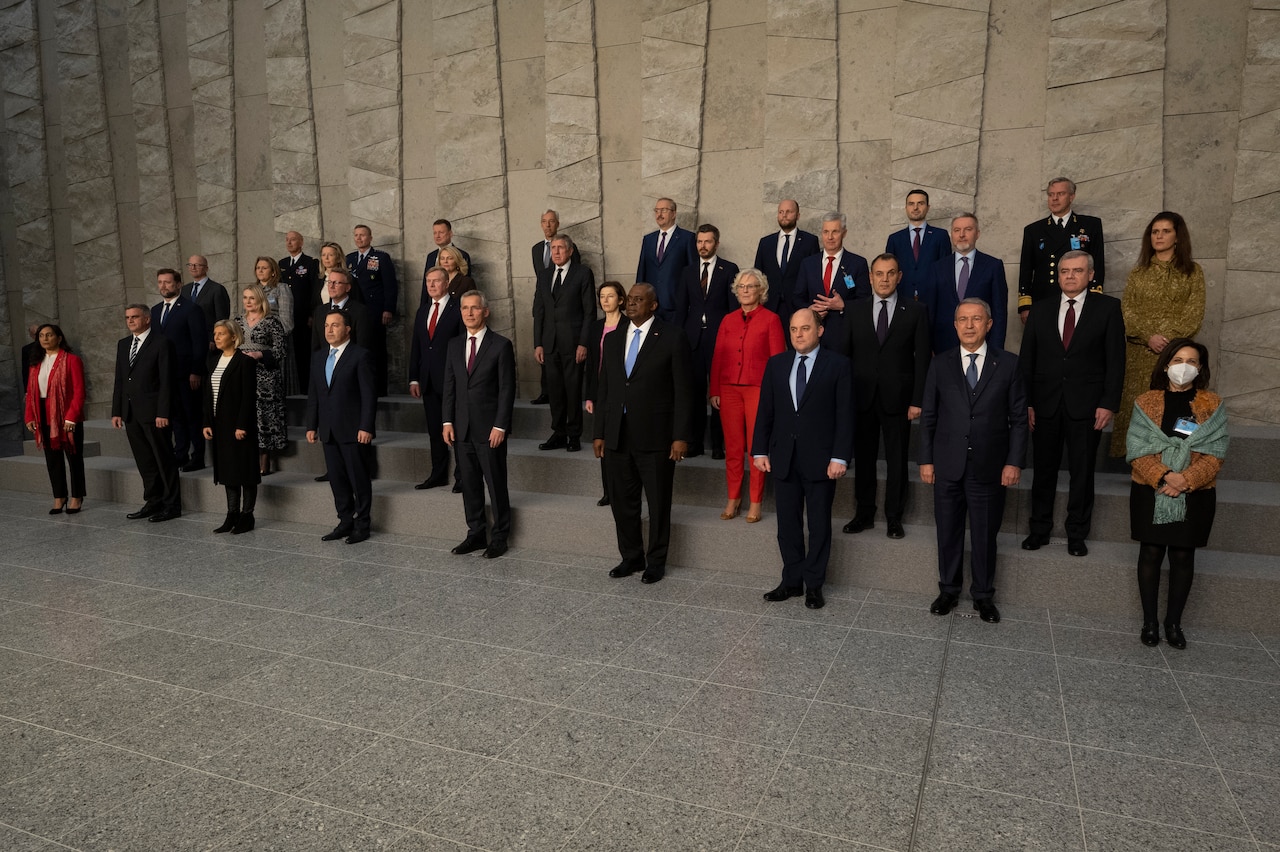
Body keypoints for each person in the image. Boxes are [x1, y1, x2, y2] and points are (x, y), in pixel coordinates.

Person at [919, 298, 1028, 624]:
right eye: (963, 319)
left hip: (989, 467)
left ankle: (983, 596)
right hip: (947, 465)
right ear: (955, 325)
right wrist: (925, 460)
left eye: (976, 319)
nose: (969, 325)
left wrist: (1014, 463)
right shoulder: (940, 364)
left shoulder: (1008, 364)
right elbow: (929, 417)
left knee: (983, 535)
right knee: (948, 533)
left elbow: (1019, 419)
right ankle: (948, 590)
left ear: (989, 324)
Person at [1019, 250, 1125, 557]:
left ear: (1091, 275)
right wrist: (1026, 402)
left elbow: (1116, 361)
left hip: (1088, 407)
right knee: (1043, 471)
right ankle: (1039, 528)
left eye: (1077, 271)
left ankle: (1077, 533)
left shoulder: (1108, 309)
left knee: (1082, 471)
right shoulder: (1040, 309)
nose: (1069, 276)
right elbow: (1028, 360)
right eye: (1064, 271)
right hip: (1045, 405)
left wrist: (1108, 403)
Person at [1126, 339, 1227, 650]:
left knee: (1183, 555)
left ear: (1200, 368)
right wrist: (1165, 476)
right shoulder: (1146, 401)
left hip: (1195, 492)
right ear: (1166, 364)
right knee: (1151, 553)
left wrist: (1186, 480)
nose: (1185, 366)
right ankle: (1150, 623)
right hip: (1150, 487)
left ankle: (1173, 623)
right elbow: (1137, 448)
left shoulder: (1213, 404)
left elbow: (1216, 451)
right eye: (1179, 359)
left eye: (1192, 361)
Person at [751, 308, 853, 610]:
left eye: (805, 328)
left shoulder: (838, 365)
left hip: (822, 460)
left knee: (819, 524)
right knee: (787, 525)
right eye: (793, 329)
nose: (798, 334)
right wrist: (760, 450)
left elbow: (845, 416)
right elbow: (766, 411)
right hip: (784, 458)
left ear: (819, 330)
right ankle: (792, 581)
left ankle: (814, 584)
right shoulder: (776, 364)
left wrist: (840, 457)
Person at [593, 282, 693, 585]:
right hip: (618, 435)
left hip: (657, 436)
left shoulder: (672, 336)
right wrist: (599, 431)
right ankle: (631, 557)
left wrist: (680, 436)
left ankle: (656, 561)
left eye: (639, 300)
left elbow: (684, 391)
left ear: (653, 305)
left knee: (659, 503)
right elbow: (606, 388)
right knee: (623, 503)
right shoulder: (613, 339)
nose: (631, 304)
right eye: (630, 300)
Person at [838, 253, 930, 539]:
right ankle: (864, 514)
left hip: (899, 400)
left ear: (899, 277)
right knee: (864, 459)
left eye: (891, 273)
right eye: (879, 273)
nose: (885, 279)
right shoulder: (854, 311)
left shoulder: (915, 311)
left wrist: (917, 400)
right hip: (862, 398)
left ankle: (894, 517)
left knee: (897, 460)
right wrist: (844, 399)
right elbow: (844, 358)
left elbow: (923, 360)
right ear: (870, 277)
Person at [1111, 211, 1205, 457]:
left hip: (1177, 356)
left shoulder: (1192, 272)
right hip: (1140, 354)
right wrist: (1148, 336)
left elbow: (1193, 314)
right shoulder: (1138, 273)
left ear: (1177, 237)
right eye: (1155, 231)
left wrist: (1168, 342)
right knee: (1140, 405)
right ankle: (1137, 459)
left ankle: (1173, 457)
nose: (1159, 236)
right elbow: (1127, 311)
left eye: (1166, 231)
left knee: (1173, 407)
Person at [443, 291, 516, 560]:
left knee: (496, 484)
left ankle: (499, 537)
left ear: (485, 312)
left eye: (474, 308)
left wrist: (501, 426)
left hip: (490, 430)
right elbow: (449, 386)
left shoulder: (501, 345)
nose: (469, 313)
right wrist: (447, 421)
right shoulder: (454, 345)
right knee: (470, 484)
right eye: (464, 308)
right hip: (461, 428)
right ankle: (475, 533)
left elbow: (507, 389)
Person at [709, 268, 784, 524]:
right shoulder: (727, 320)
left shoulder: (771, 319)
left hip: (758, 390)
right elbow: (718, 357)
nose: (745, 290)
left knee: (756, 448)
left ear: (760, 291)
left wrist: (775, 395)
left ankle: (755, 501)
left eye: (751, 286)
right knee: (733, 447)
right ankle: (733, 497)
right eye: (741, 286)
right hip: (729, 389)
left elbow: (778, 361)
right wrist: (715, 390)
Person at [306, 307, 377, 544]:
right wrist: (311, 425)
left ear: (348, 329)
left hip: (353, 429)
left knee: (358, 479)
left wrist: (366, 426)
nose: (329, 330)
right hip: (328, 430)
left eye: (335, 325)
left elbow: (368, 395)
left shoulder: (360, 355)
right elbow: (315, 394)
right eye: (326, 326)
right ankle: (345, 521)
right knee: (337, 479)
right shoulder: (318, 357)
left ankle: (363, 523)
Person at [674, 224, 739, 459]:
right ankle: (695, 443)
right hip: (692, 341)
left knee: (719, 394)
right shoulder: (688, 271)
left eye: (707, 242)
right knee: (694, 394)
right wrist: (677, 340)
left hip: (719, 342)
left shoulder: (729, 269)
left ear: (716, 243)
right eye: (699, 242)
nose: (703, 246)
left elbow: (734, 311)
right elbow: (681, 309)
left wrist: (733, 340)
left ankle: (718, 445)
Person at [112, 304, 182, 522]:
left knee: (164, 459)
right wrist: (117, 411)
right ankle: (153, 501)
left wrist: (163, 412)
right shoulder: (123, 344)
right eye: (127, 317)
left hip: (155, 414)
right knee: (145, 461)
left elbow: (167, 381)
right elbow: (120, 380)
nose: (130, 321)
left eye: (135, 317)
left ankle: (172, 505)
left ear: (147, 319)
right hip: (131, 412)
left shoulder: (162, 343)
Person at [533, 233, 595, 453]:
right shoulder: (544, 275)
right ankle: (558, 432)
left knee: (572, 389)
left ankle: (573, 435)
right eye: (553, 248)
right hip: (549, 344)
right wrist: (538, 343)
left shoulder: (583, 273)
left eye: (560, 248)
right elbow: (539, 311)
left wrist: (584, 343)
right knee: (555, 391)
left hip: (573, 343)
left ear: (570, 251)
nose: (556, 252)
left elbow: (589, 312)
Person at [919, 212, 1009, 352]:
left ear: (977, 234)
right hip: (943, 347)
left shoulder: (993, 266)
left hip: (982, 346)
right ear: (952, 235)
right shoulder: (937, 268)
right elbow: (929, 312)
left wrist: (996, 350)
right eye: (957, 230)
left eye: (968, 229)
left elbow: (999, 313)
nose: (961, 235)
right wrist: (927, 349)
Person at [409, 266, 464, 491]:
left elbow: (462, 345)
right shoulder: (422, 311)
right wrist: (414, 378)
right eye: (428, 281)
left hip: (452, 381)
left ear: (447, 283)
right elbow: (417, 347)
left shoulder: (457, 308)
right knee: (434, 430)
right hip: (428, 380)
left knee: (458, 429)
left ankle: (462, 476)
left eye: (436, 281)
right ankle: (438, 474)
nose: (431, 285)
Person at [1018, 176, 1105, 318]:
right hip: (1043, 300)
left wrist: (1094, 298)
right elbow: (1026, 269)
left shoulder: (1090, 225)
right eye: (1051, 195)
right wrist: (1025, 305)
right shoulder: (1034, 230)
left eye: (1060, 194)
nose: (1054, 198)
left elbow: (1098, 264)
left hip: (1080, 300)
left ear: (1072, 197)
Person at [202, 320, 259, 534]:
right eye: (215, 333)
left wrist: (242, 424)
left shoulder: (244, 362)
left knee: (245, 471)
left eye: (221, 334)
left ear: (234, 337)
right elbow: (208, 395)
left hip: (239, 426)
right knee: (227, 471)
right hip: (220, 425)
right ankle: (231, 514)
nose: (216, 337)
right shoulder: (213, 361)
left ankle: (247, 515)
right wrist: (206, 421)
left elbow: (248, 397)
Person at [23, 324, 86, 515]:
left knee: (74, 458)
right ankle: (59, 496)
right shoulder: (35, 363)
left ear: (59, 338)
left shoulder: (72, 360)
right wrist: (29, 416)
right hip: (43, 415)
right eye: (41, 335)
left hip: (67, 417)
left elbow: (79, 392)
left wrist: (71, 417)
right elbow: (31, 392)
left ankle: (77, 496)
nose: (45, 338)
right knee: (52, 459)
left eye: (49, 335)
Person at [152, 267, 207, 472]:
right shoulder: (156, 310)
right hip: (165, 376)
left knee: (192, 415)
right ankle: (181, 453)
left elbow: (199, 343)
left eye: (167, 282)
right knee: (175, 416)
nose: (163, 286)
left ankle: (198, 456)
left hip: (187, 374)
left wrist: (196, 371)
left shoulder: (191, 309)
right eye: (160, 282)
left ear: (178, 284)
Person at [793, 211, 870, 349]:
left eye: (835, 232)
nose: (830, 237)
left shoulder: (858, 263)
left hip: (843, 339)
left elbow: (865, 302)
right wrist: (809, 310)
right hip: (812, 338)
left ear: (844, 233)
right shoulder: (808, 264)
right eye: (826, 232)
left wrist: (843, 305)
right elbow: (797, 298)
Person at [236, 283, 289, 476]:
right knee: (243, 415)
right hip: (241, 375)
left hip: (264, 377)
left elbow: (281, 350)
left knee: (262, 417)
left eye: (252, 298)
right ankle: (244, 457)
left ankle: (264, 459)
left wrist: (260, 354)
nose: (248, 302)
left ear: (260, 299)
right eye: (245, 298)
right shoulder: (237, 321)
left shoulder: (272, 322)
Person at [530, 210, 581, 405]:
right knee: (544, 349)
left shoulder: (570, 248)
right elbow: (540, 280)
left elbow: (571, 280)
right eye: (544, 221)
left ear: (558, 224)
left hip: (565, 313)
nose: (548, 225)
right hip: (543, 304)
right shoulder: (536, 249)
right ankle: (546, 391)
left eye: (552, 221)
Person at [585, 281, 628, 506]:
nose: (605, 300)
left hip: (621, 389)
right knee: (601, 440)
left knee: (620, 439)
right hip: (601, 390)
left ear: (621, 300)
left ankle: (623, 489)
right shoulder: (595, 327)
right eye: (602, 296)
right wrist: (590, 396)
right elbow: (592, 365)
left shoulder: (629, 325)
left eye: (610, 296)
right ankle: (608, 491)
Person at [346, 224, 398, 396]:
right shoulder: (349, 259)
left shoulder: (380, 257)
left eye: (362, 235)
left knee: (376, 349)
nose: (359, 238)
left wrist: (388, 309)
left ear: (370, 238)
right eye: (356, 235)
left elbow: (390, 285)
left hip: (374, 312)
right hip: (353, 312)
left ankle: (380, 389)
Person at [753, 199, 819, 329]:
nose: (784, 215)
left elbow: (814, 276)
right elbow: (758, 275)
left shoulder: (809, 241)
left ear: (798, 215)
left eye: (789, 211)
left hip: (797, 307)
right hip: (769, 305)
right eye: (781, 212)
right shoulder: (766, 243)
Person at [635, 197, 696, 321]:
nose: (659, 214)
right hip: (650, 305)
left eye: (664, 210)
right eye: (656, 211)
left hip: (675, 306)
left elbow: (693, 273)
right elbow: (642, 271)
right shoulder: (648, 239)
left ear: (674, 214)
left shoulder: (687, 238)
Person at [884, 189, 950, 300]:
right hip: (901, 299)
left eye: (920, 203)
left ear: (928, 207)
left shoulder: (940, 235)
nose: (915, 208)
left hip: (932, 298)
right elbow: (890, 270)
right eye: (911, 204)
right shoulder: (894, 239)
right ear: (906, 208)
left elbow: (946, 270)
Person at [280, 231, 321, 388]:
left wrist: (311, 314)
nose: (289, 243)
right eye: (287, 240)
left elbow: (314, 290)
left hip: (303, 316)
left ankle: (305, 386)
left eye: (293, 240)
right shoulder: (282, 264)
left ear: (301, 242)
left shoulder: (310, 262)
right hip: (286, 315)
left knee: (304, 351)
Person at [252, 256, 298, 394]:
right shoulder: (253, 290)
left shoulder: (281, 289)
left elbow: (287, 322)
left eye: (264, 268)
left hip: (276, 344)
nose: (260, 270)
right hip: (256, 344)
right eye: (258, 268)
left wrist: (272, 338)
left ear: (273, 272)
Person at [311, 269, 368, 351]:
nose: (331, 286)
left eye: (336, 283)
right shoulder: (320, 311)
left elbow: (362, 346)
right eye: (329, 282)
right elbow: (315, 347)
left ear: (347, 287)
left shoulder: (360, 311)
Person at [182, 255, 230, 348]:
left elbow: (222, 317)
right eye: (190, 265)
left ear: (206, 268)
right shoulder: (185, 289)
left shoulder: (217, 289)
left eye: (197, 265)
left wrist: (213, 339)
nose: (193, 268)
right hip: (187, 341)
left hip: (208, 341)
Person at [422, 218, 472, 291]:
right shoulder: (431, 256)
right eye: (435, 233)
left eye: (441, 232)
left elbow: (466, 285)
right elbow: (425, 285)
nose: (437, 236)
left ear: (450, 234)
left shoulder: (462, 255)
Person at [317, 241, 363, 307]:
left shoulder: (349, 278)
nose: (326, 258)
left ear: (338, 258)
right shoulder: (318, 279)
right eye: (323, 255)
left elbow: (357, 303)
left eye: (330, 255)